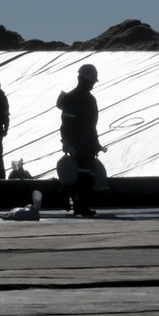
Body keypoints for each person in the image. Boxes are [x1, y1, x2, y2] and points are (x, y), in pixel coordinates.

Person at [57, 64, 103, 217]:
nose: (92, 85)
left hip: (84, 144)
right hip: (81, 144)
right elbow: (68, 125)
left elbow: (90, 125)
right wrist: (67, 143)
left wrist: (95, 143)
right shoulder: (80, 99)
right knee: (84, 176)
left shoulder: (79, 98)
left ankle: (78, 204)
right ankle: (79, 206)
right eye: (91, 82)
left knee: (83, 175)